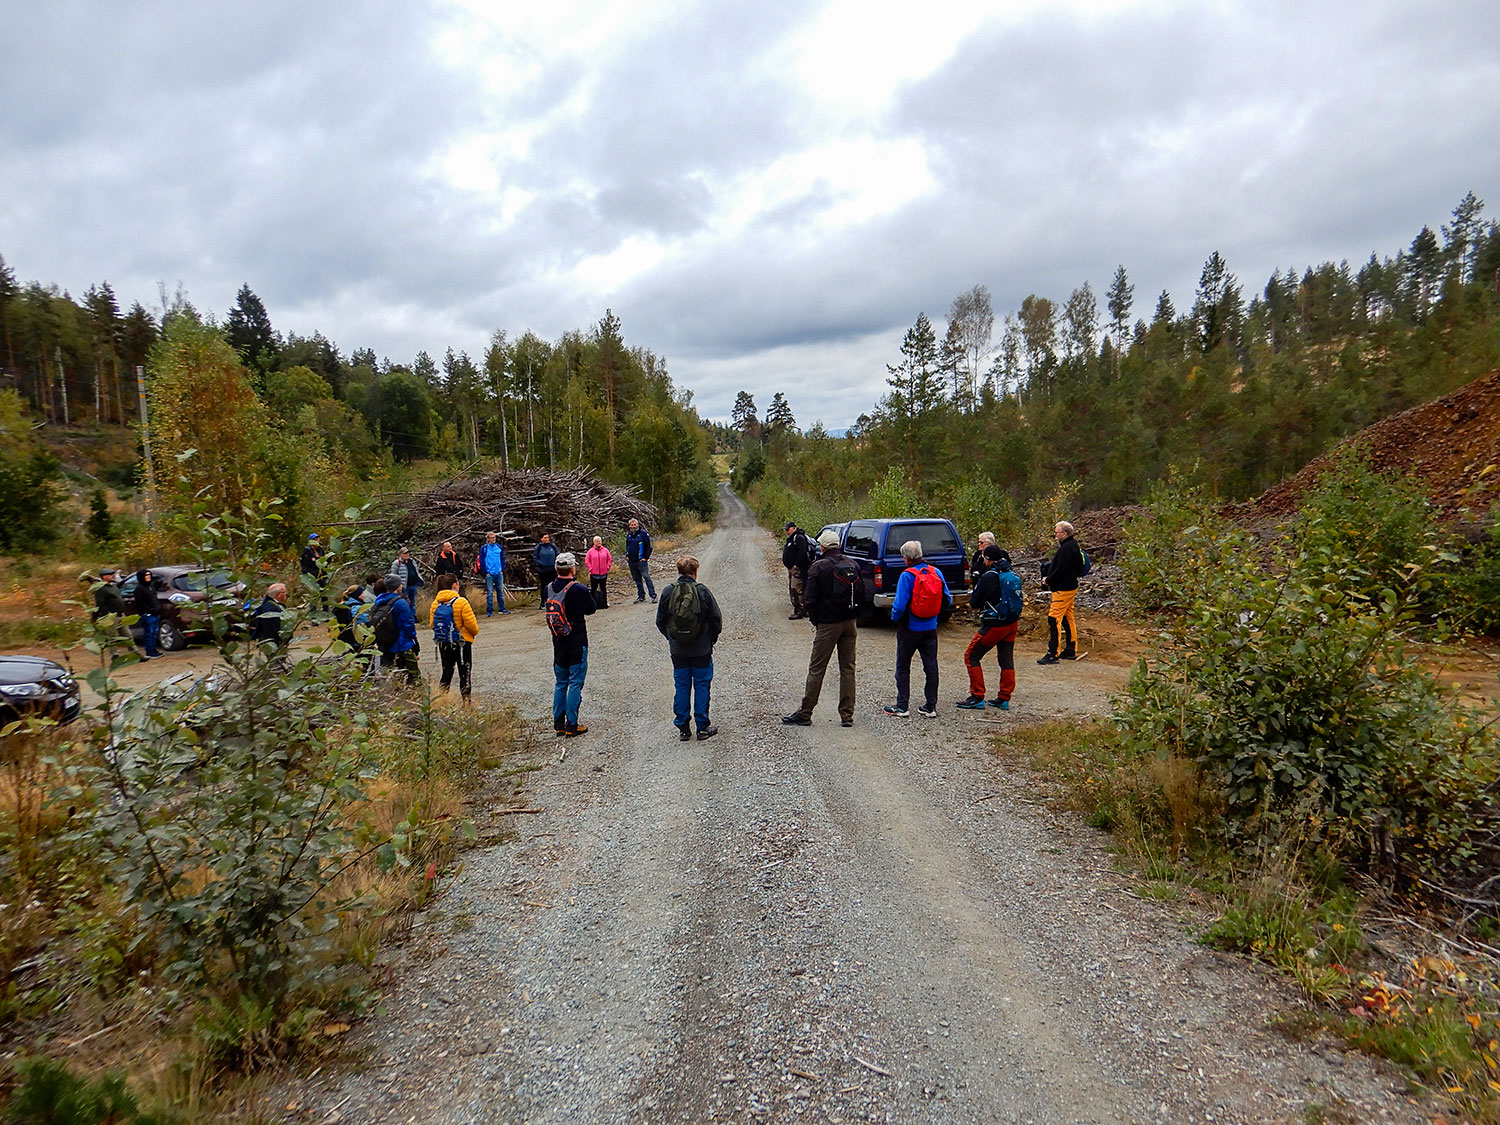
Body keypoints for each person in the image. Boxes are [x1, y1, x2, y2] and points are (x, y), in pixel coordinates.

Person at [783, 529, 861, 728]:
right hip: (850, 622)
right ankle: (847, 715)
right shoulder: (852, 564)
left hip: (828, 624)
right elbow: (862, 594)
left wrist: (817, 621)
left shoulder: (819, 566)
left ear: (823, 547)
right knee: (848, 669)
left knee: (817, 668)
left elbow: (809, 599)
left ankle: (805, 712)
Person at [656, 554, 723, 741]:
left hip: (678, 650)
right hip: (701, 649)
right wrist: (710, 640)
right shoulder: (702, 591)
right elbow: (716, 619)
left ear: (678, 571)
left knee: (682, 686)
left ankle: (683, 728)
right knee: (702, 685)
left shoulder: (668, 591)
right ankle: (702, 727)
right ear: (695, 571)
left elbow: (660, 620)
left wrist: (672, 638)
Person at [884, 541, 951, 718]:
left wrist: (894, 619)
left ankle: (902, 706)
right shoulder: (936, 572)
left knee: (903, 666)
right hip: (931, 627)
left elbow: (899, 605)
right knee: (931, 667)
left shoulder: (907, 576)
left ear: (905, 558)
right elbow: (948, 599)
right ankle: (930, 706)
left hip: (910, 628)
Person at [958, 544, 1022, 710]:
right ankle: (1004, 697)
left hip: (995, 624)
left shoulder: (989, 576)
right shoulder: (1010, 573)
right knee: (1006, 659)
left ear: (987, 559)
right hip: (1011, 623)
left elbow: (974, 602)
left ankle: (977, 695)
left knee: (971, 656)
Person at [546, 553, 595, 736]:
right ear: (573, 569)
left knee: (560, 683)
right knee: (575, 682)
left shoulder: (549, 588)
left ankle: (558, 722)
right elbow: (592, 609)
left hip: (558, 641)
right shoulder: (579, 589)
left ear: (556, 568)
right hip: (577, 640)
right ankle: (572, 724)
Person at [1039, 520, 1085, 664]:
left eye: (1057, 532)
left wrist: (1048, 580)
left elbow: (1061, 570)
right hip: (1069, 586)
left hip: (1063, 589)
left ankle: (1053, 653)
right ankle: (1071, 648)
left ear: (1064, 534)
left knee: (1054, 619)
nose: (1055, 535)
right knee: (1067, 617)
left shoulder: (1067, 549)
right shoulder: (1072, 546)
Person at [430, 573, 479, 701]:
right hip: (462, 642)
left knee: (446, 671)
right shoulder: (461, 602)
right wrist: (473, 634)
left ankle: (441, 700)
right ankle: (467, 702)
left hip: (444, 642)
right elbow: (472, 625)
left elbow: (432, 625)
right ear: (454, 585)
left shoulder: (436, 603)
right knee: (465, 673)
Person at [371, 577, 420, 684]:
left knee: (392, 676)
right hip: (402, 644)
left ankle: (395, 696)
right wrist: (414, 641)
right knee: (414, 675)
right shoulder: (400, 603)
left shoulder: (378, 602)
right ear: (398, 586)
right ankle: (414, 696)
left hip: (385, 644)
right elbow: (409, 624)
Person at [782, 521, 813, 619]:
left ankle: (799, 611)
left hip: (798, 569)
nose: (786, 531)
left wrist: (796, 566)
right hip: (792, 569)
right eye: (785, 529)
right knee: (796, 589)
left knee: (796, 589)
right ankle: (803, 610)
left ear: (794, 528)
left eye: (788, 529)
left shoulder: (799, 538)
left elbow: (802, 553)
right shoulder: (792, 538)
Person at [475, 531, 510, 616]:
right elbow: (482, 561)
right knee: (490, 592)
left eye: (494, 537)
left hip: (498, 572)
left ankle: (501, 609)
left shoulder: (498, 547)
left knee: (500, 591)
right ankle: (489, 610)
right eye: (492, 537)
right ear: (488, 539)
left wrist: (502, 569)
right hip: (489, 574)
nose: (493, 539)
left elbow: (502, 558)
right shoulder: (484, 548)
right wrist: (485, 572)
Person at [133, 568, 162, 659]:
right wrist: (149, 610)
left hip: (155, 613)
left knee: (154, 632)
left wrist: (157, 609)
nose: (148, 577)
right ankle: (149, 651)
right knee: (149, 633)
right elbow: (140, 602)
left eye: (149, 575)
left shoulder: (150, 587)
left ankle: (154, 649)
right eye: (146, 576)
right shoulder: (139, 589)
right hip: (147, 614)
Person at [625, 519, 656, 604]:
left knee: (646, 577)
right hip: (632, 561)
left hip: (641, 561)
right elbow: (627, 546)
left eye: (634, 525)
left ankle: (653, 595)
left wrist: (645, 558)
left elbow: (649, 547)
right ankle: (641, 596)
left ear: (637, 525)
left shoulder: (643, 534)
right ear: (629, 526)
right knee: (637, 579)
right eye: (631, 525)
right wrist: (627, 556)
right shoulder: (629, 535)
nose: (633, 526)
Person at [250, 582, 289, 647]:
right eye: (285, 593)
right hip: (272, 641)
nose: (286, 595)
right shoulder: (272, 608)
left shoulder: (266, 604)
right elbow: (275, 626)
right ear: (279, 594)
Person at [389, 546, 423, 610]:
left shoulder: (412, 561)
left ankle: (413, 617)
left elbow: (416, 571)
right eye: (405, 553)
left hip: (413, 585)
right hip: (404, 587)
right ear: (401, 554)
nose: (407, 554)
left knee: (413, 603)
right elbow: (393, 575)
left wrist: (419, 580)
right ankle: (407, 617)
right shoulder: (397, 563)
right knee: (406, 603)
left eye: (408, 553)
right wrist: (398, 586)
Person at [585, 535, 613, 609]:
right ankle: (594, 604)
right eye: (597, 541)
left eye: (599, 541)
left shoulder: (605, 550)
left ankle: (604, 603)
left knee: (603, 588)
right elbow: (587, 561)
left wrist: (607, 567)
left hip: (604, 573)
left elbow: (609, 559)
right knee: (593, 589)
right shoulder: (590, 551)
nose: (598, 542)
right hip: (594, 574)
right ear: (594, 542)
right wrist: (591, 569)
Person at [300, 533, 327, 607]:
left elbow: (324, 560)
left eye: (317, 539)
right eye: (314, 539)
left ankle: (325, 609)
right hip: (311, 572)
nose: (317, 541)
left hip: (322, 572)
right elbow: (308, 562)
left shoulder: (320, 549)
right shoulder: (307, 550)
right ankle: (313, 609)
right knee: (313, 592)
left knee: (324, 592)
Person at [534, 534, 559, 610]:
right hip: (543, 570)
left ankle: (554, 601)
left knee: (553, 585)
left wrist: (556, 564)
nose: (547, 539)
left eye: (547, 537)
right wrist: (540, 564)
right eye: (545, 538)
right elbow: (535, 558)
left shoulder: (552, 546)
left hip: (552, 569)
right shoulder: (539, 548)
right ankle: (543, 602)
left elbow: (557, 555)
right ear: (541, 539)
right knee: (544, 586)